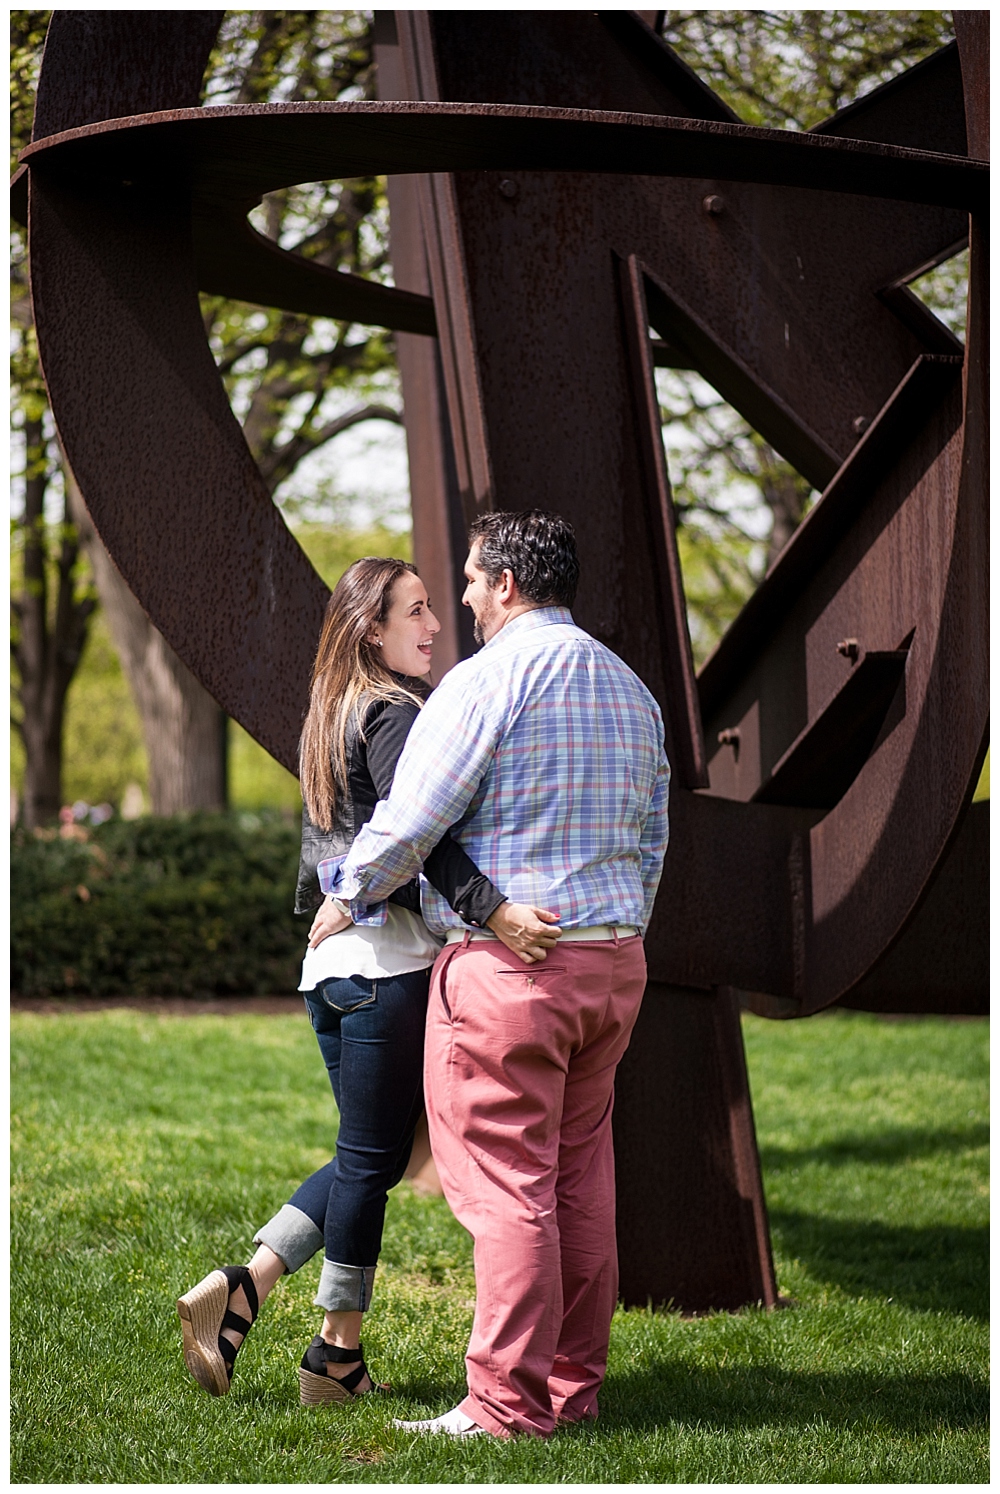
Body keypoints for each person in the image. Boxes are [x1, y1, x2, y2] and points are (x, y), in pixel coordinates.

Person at [176, 557, 558, 1406]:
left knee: (372, 1155)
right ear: (370, 630)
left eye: (432, 608)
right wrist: (493, 911)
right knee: (372, 1158)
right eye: (415, 612)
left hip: (333, 974)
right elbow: (416, 834)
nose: (433, 626)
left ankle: (253, 1295)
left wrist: (338, 908)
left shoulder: (333, 712)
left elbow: (322, 869)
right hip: (388, 969)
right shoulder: (394, 714)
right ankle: (328, 1348)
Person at [327, 510, 670, 1439]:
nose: (466, 600)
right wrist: (621, 924)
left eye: (473, 582)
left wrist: (346, 893)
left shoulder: (485, 683)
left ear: (508, 585)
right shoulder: (632, 690)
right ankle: (572, 1391)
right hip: (612, 959)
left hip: (514, 969)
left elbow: (409, 818)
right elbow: (651, 837)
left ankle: (503, 1407)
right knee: (577, 1177)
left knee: (511, 1187)